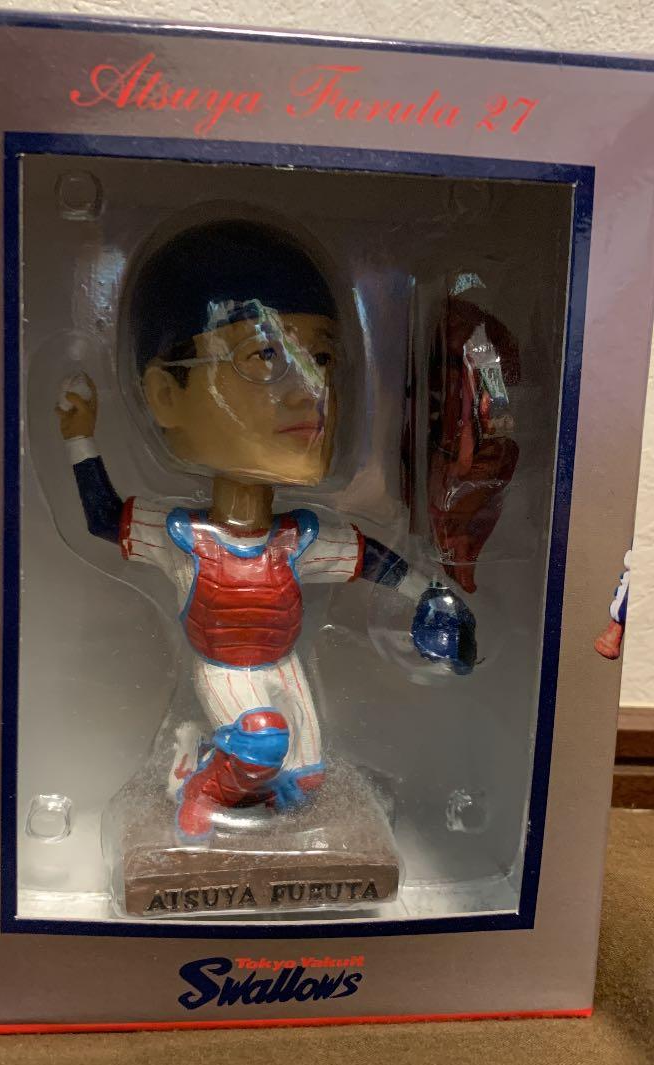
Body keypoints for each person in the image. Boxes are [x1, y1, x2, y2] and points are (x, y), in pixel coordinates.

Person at [56, 219, 476, 842]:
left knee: (303, 781)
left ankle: (208, 763)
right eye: (265, 357)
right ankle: (201, 790)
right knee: (260, 742)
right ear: (165, 396)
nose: (312, 392)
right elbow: (101, 517)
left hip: (283, 666)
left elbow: (371, 560)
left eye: (322, 358)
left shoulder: (298, 538)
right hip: (225, 669)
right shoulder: (183, 535)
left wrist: (432, 595)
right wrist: (79, 438)